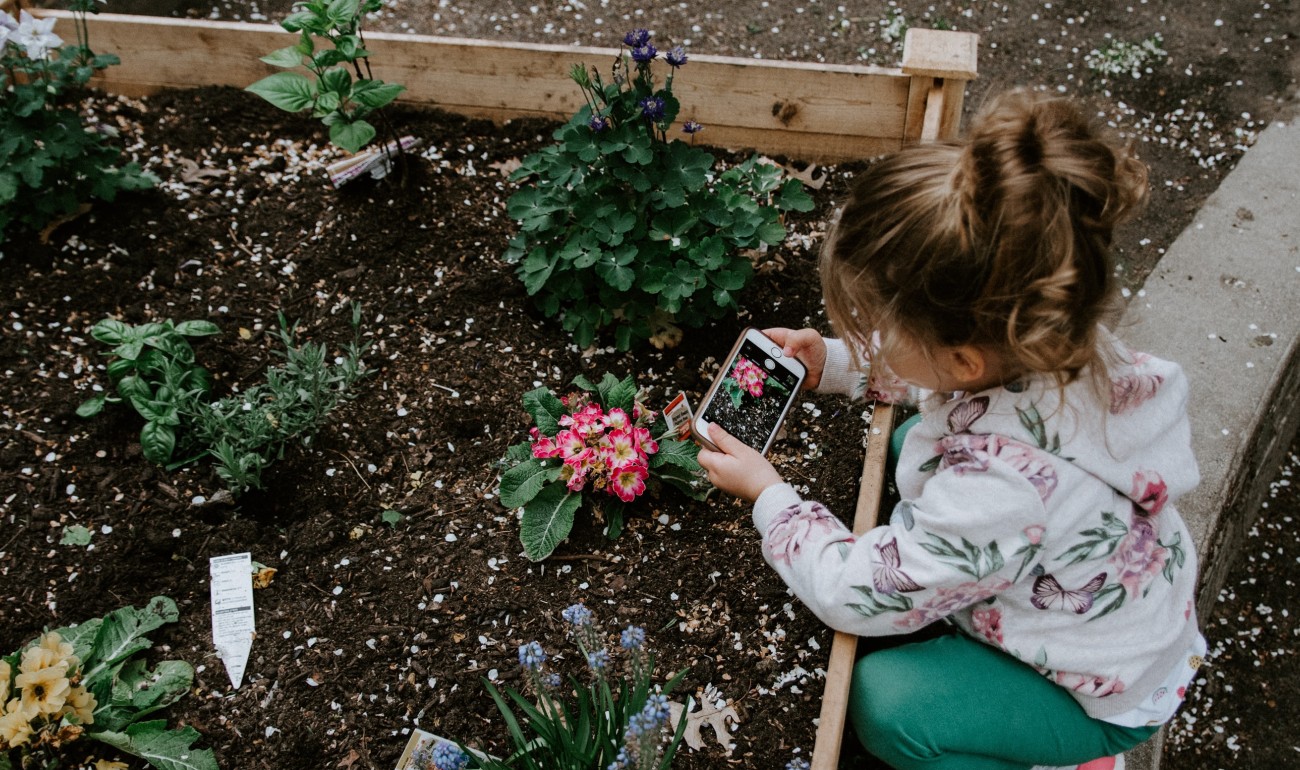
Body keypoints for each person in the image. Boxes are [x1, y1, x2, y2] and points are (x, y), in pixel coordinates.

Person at [696, 89, 1205, 770]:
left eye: (877, 326)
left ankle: (1066, 759)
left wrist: (771, 498)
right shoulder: (1055, 340)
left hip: (1091, 690)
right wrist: (840, 366)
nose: (861, 331)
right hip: (1114, 615)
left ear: (964, 359)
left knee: (888, 705)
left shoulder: (1001, 490)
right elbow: (943, 377)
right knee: (911, 445)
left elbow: (855, 595)